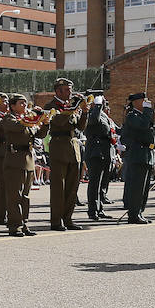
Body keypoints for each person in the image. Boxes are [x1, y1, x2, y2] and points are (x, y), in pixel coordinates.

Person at [0, 94, 48, 237]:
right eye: (21, 103)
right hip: (14, 159)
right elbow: (18, 127)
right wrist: (34, 118)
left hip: (28, 159)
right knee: (14, 196)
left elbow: (39, 134)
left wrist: (45, 123)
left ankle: (24, 223)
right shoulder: (9, 118)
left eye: (25, 103)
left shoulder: (28, 120)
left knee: (25, 195)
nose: (25, 106)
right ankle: (15, 225)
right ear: (12, 106)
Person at [44, 77, 89, 231]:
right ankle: (56, 220)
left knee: (72, 187)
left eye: (71, 89)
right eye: (67, 90)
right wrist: (71, 109)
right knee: (58, 187)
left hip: (73, 147)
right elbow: (57, 122)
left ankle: (68, 218)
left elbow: (80, 127)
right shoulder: (51, 106)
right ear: (58, 90)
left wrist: (84, 113)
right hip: (58, 146)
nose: (71, 92)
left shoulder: (71, 106)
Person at [119, 91, 155, 225]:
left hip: (146, 154)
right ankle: (133, 214)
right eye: (143, 100)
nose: (146, 102)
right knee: (137, 187)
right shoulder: (132, 116)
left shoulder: (143, 115)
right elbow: (144, 125)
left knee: (144, 187)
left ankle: (139, 211)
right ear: (135, 102)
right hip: (137, 154)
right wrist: (147, 110)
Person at [83, 91, 116, 220]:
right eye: (100, 100)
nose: (103, 102)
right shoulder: (90, 113)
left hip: (106, 151)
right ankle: (92, 211)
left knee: (103, 183)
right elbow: (94, 121)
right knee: (95, 183)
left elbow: (114, 130)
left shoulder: (104, 115)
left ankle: (100, 208)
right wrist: (96, 106)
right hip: (96, 152)